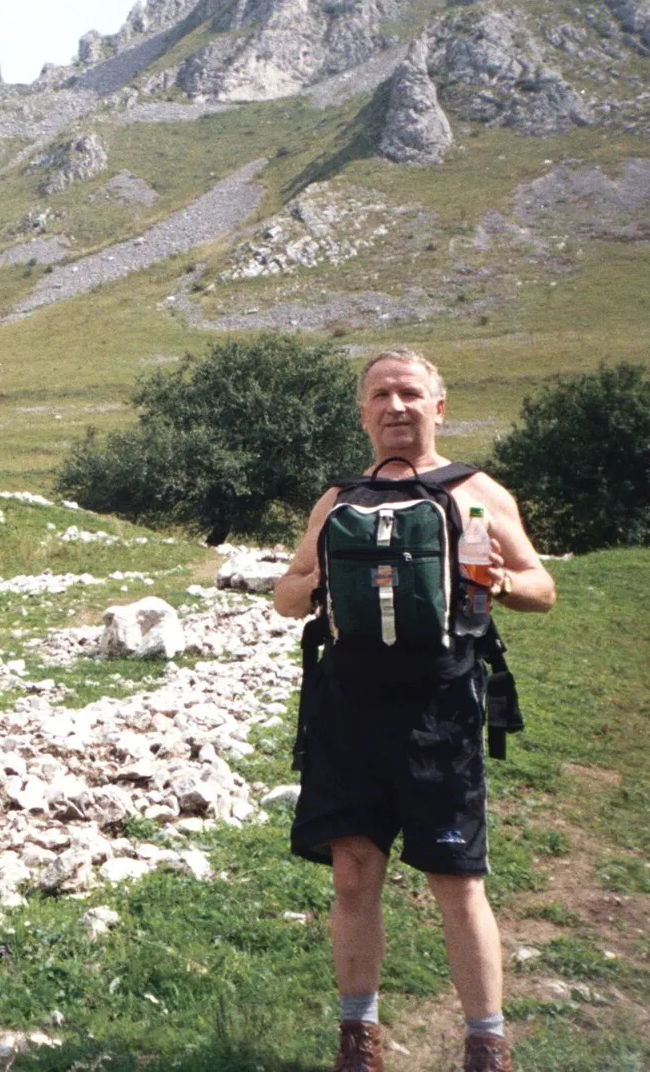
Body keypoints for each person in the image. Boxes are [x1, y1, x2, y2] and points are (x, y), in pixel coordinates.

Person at [274, 348, 556, 1072]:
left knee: (456, 878)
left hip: (441, 706)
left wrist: (495, 578)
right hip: (348, 706)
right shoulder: (337, 499)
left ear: (439, 405)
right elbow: (289, 589)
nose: (395, 406)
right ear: (363, 411)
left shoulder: (477, 491)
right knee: (352, 871)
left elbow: (540, 586)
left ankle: (487, 1043)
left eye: (409, 393)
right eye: (380, 395)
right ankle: (358, 1039)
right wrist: (307, 589)